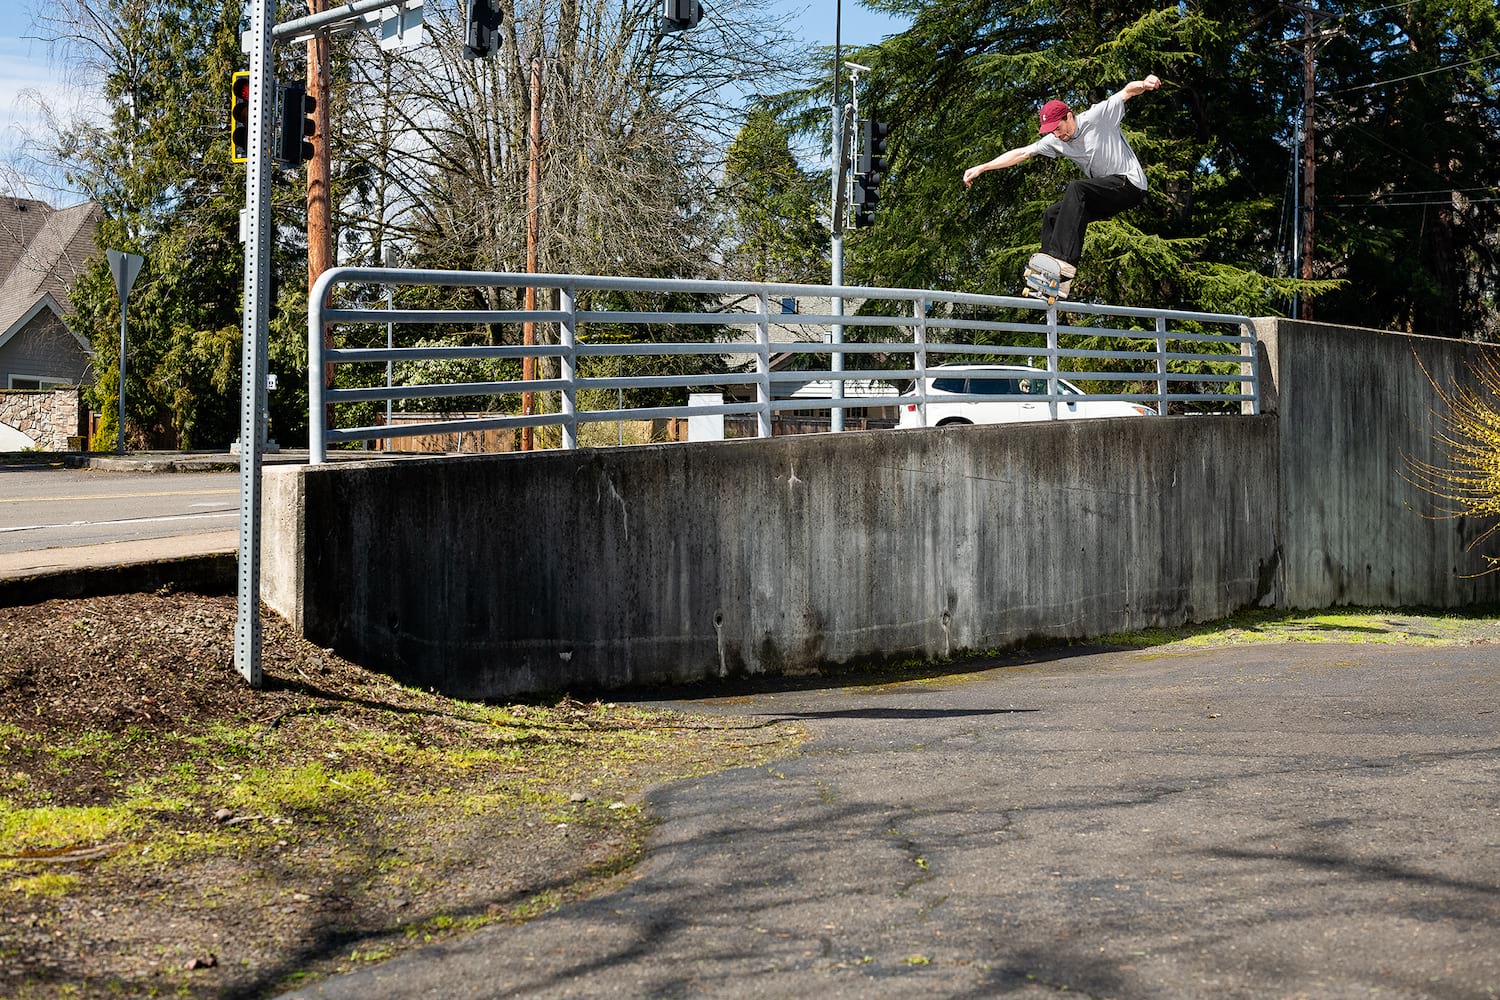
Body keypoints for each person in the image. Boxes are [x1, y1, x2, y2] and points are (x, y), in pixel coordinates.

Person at [962, 75, 1162, 298]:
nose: (1058, 135)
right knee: (1053, 214)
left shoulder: (1097, 117)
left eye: (1059, 128)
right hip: (1106, 196)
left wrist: (1144, 84)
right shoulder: (1056, 140)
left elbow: (1127, 91)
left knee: (1077, 189)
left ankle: (1062, 265)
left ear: (1069, 117)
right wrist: (983, 167)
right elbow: (1022, 152)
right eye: (1053, 132)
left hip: (1130, 184)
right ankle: (1050, 280)